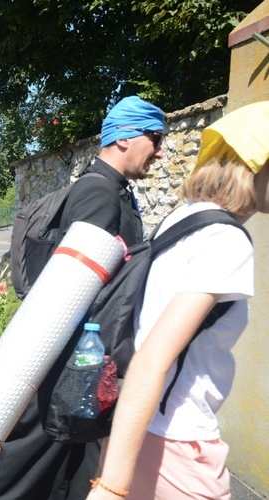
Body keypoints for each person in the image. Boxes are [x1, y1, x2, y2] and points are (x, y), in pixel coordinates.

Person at [0, 96, 166, 500]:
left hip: (79, 361)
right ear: (123, 138)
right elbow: (77, 289)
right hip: (77, 363)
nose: (161, 149)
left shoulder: (108, 190)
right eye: (155, 137)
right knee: (31, 472)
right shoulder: (100, 195)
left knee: (58, 471)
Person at [87, 102, 269, 500]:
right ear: (254, 167)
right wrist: (111, 487)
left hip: (137, 426)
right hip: (178, 438)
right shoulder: (226, 239)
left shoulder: (185, 217)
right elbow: (154, 357)